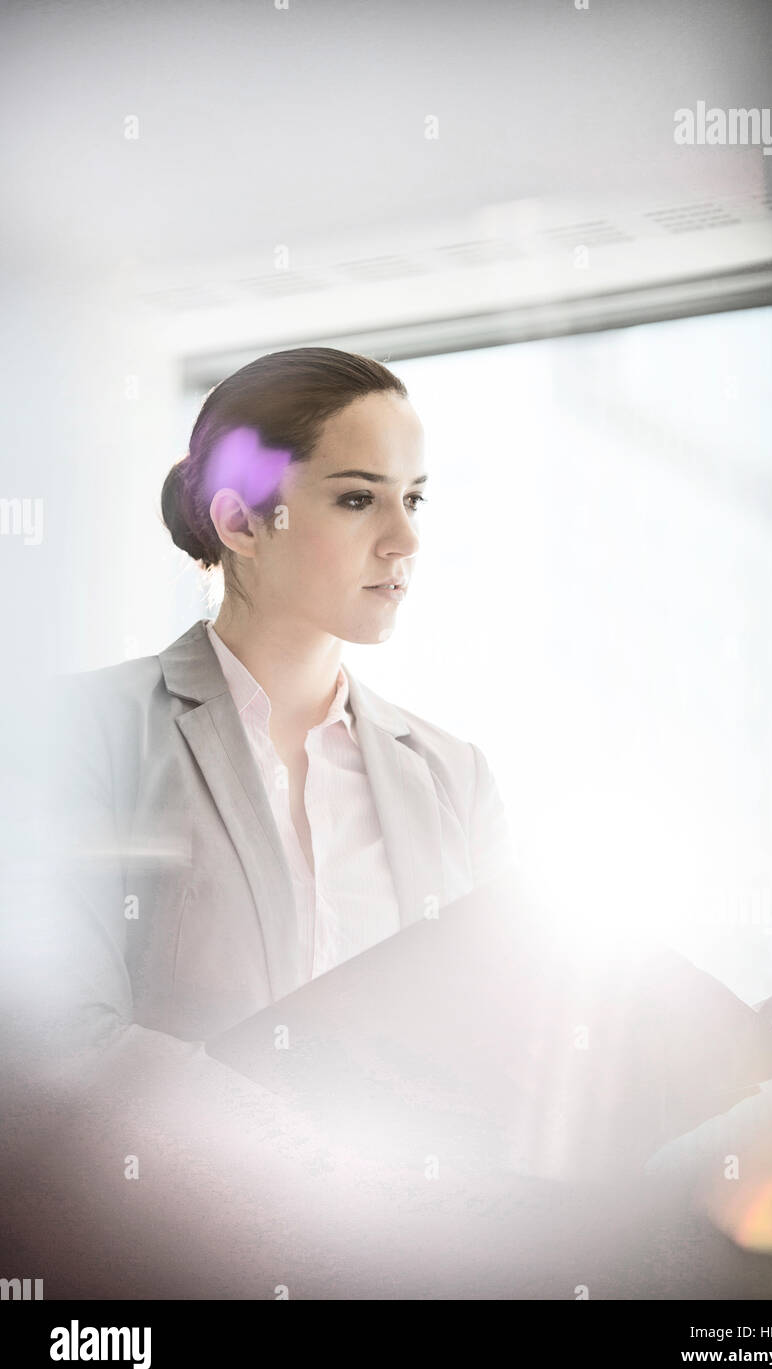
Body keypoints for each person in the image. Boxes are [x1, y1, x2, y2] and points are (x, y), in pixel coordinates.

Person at [46, 345, 516, 1066]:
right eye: (358, 498)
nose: (406, 539)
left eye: (413, 497)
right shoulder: (84, 736)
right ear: (241, 524)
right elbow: (58, 1046)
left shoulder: (456, 777)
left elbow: (495, 1045)